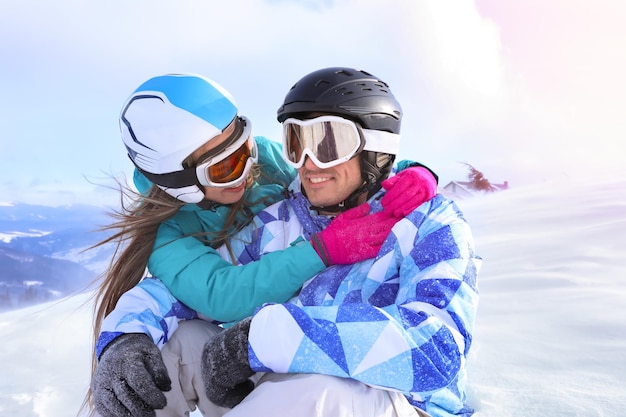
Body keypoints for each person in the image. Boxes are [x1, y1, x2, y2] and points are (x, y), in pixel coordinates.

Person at [87, 71, 439, 416]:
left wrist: (413, 171)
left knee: (315, 388)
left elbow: (348, 175)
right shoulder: (179, 235)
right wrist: (124, 337)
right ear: (182, 185)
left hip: (357, 391)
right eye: (224, 169)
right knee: (173, 348)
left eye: (244, 147)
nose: (247, 169)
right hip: (271, 354)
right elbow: (207, 294)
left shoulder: (272, 172)